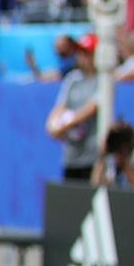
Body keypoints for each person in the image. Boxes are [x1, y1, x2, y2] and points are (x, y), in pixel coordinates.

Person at [46, 36, 100, 182]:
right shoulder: (73, 79)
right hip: (72, 155)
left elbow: (92, 108)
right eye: (81, 53)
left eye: (88, 53)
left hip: (92, 155)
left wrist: (64, 126)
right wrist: (52, 125)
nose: (83, 57)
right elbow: (60, 106)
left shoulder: (103, 80)